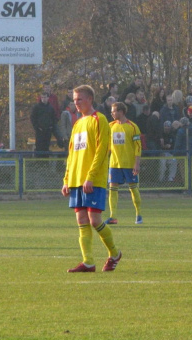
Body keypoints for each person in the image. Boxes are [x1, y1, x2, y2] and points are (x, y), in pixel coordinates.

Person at [61, 85, 122, 272]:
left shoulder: (100, 120)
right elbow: (72, 154)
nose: (76, 103)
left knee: (95, 220)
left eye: (79, 99)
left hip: (92, 179)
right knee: (81, 220)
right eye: (74, 99)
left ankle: (114, 253)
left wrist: (91, 176)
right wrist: (66, 179)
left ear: (89, 99)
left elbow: (102, 150)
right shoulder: (78, 123)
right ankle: (88, 262)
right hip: (76, 180)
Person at [105, 102, 143, 225]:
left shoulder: (133, 127)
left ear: (121, 112)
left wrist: (136, 163)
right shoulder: (110, 126)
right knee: (112, 189)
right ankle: (113, 216)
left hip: (129, 164)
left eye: (114, 111)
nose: (112, 113)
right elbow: (107, 146)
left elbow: (138, 147)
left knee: (133, 189)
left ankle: (138, 214)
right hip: (114, 164)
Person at [30, 92, 58, 157]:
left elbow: (54, 118)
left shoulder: (50, 107)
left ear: (48, 98)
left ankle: (46, 163)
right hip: (39, 131)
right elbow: (32, 118)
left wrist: (51, 127)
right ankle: (38, 163)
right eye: (42, 97)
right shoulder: (36, 107)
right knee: (39, 147)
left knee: (46, 147)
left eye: (45, 97)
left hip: (48, 130)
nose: (43, 99)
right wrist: (36, 127)